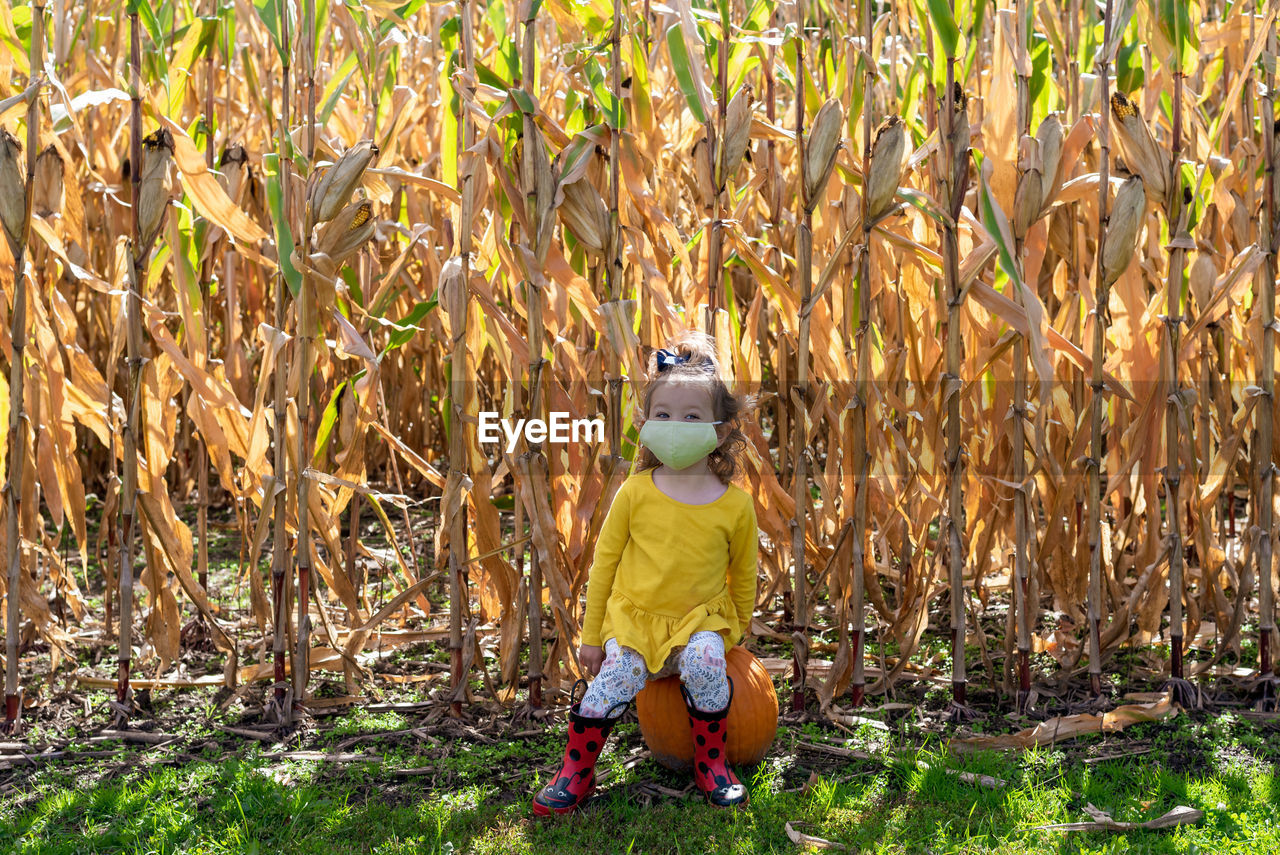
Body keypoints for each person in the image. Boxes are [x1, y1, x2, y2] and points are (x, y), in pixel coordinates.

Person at [531, 330, 760, 816]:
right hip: (635, 622)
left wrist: (734, 628)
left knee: (704, 665)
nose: (674, 425)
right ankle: (576, 770)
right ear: (647, 422)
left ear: (719, 432)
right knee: (612, 683)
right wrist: (594, 636)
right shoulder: (635, 493)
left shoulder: (735, 506)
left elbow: (744, 573)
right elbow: (604, 567)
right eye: (663, 415)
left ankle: (712, 763)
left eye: (691, 417)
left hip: (700, 621)